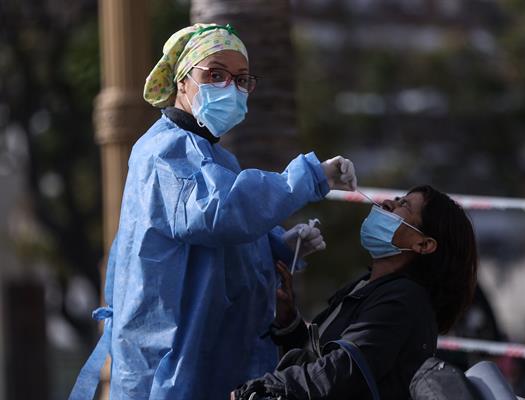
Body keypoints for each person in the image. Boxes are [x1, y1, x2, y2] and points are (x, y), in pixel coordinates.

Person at [69, 23, 357, 399]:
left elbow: (219, 244)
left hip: (214, 367)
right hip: (172, 374)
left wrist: (276, 246)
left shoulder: (215, 157)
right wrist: (308, 177)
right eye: (215, 75)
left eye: (241, 79)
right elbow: (218, 213)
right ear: (182, 81)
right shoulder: (163, 153)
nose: (230, 88)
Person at [232, 185, 479, 400]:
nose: (387, 203)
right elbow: (321, 360)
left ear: (423, 244)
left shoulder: (404, 300)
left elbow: (344, 370)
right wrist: (289, 322)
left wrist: (267, 385)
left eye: (403, 205)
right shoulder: (367, 286)